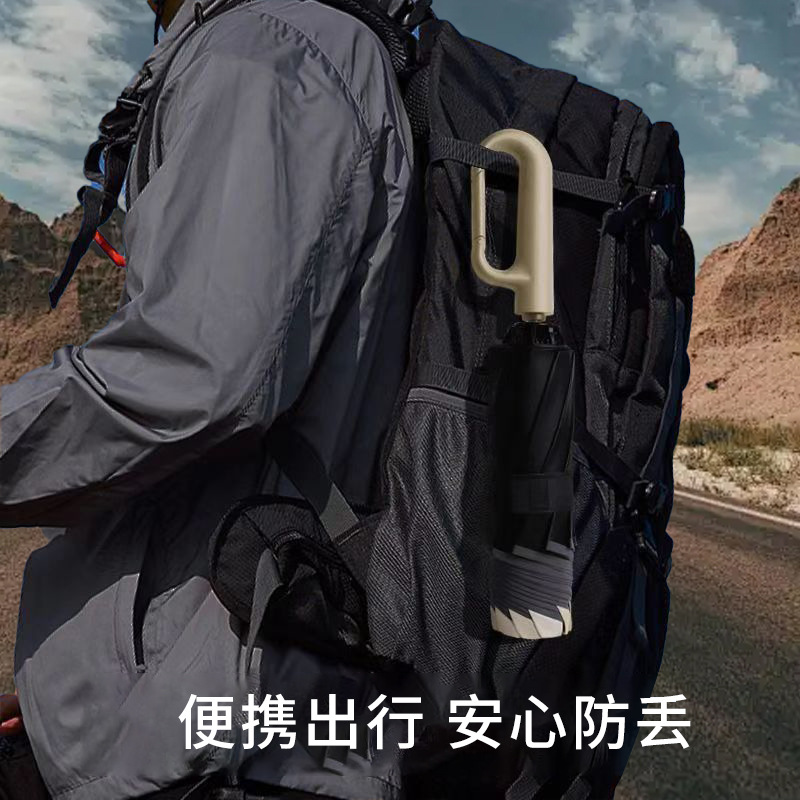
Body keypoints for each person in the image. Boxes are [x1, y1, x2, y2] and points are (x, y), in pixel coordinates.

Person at [0, 0, 421, 797]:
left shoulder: (269, 50)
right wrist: (67, 688)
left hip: (205, 741)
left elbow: (191, 375)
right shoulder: (285, 45)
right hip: (199, 705)